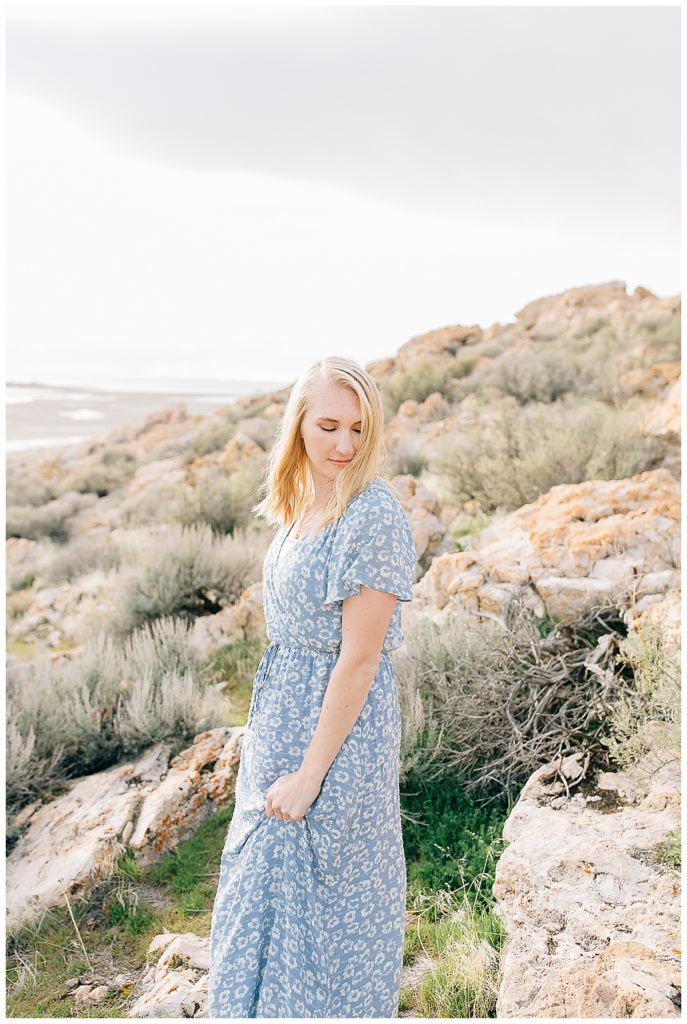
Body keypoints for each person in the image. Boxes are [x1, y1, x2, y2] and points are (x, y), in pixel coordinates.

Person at [208, 355, 417, 1018]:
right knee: (259, 895)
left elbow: (358, 661)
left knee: (323, 911)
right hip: (280, 724)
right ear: (297, 424)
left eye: (358, 429)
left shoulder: (373, 517)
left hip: (336, 740)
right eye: (327, 426)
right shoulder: (303, 504)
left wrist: (309, 774)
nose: (344, 444)